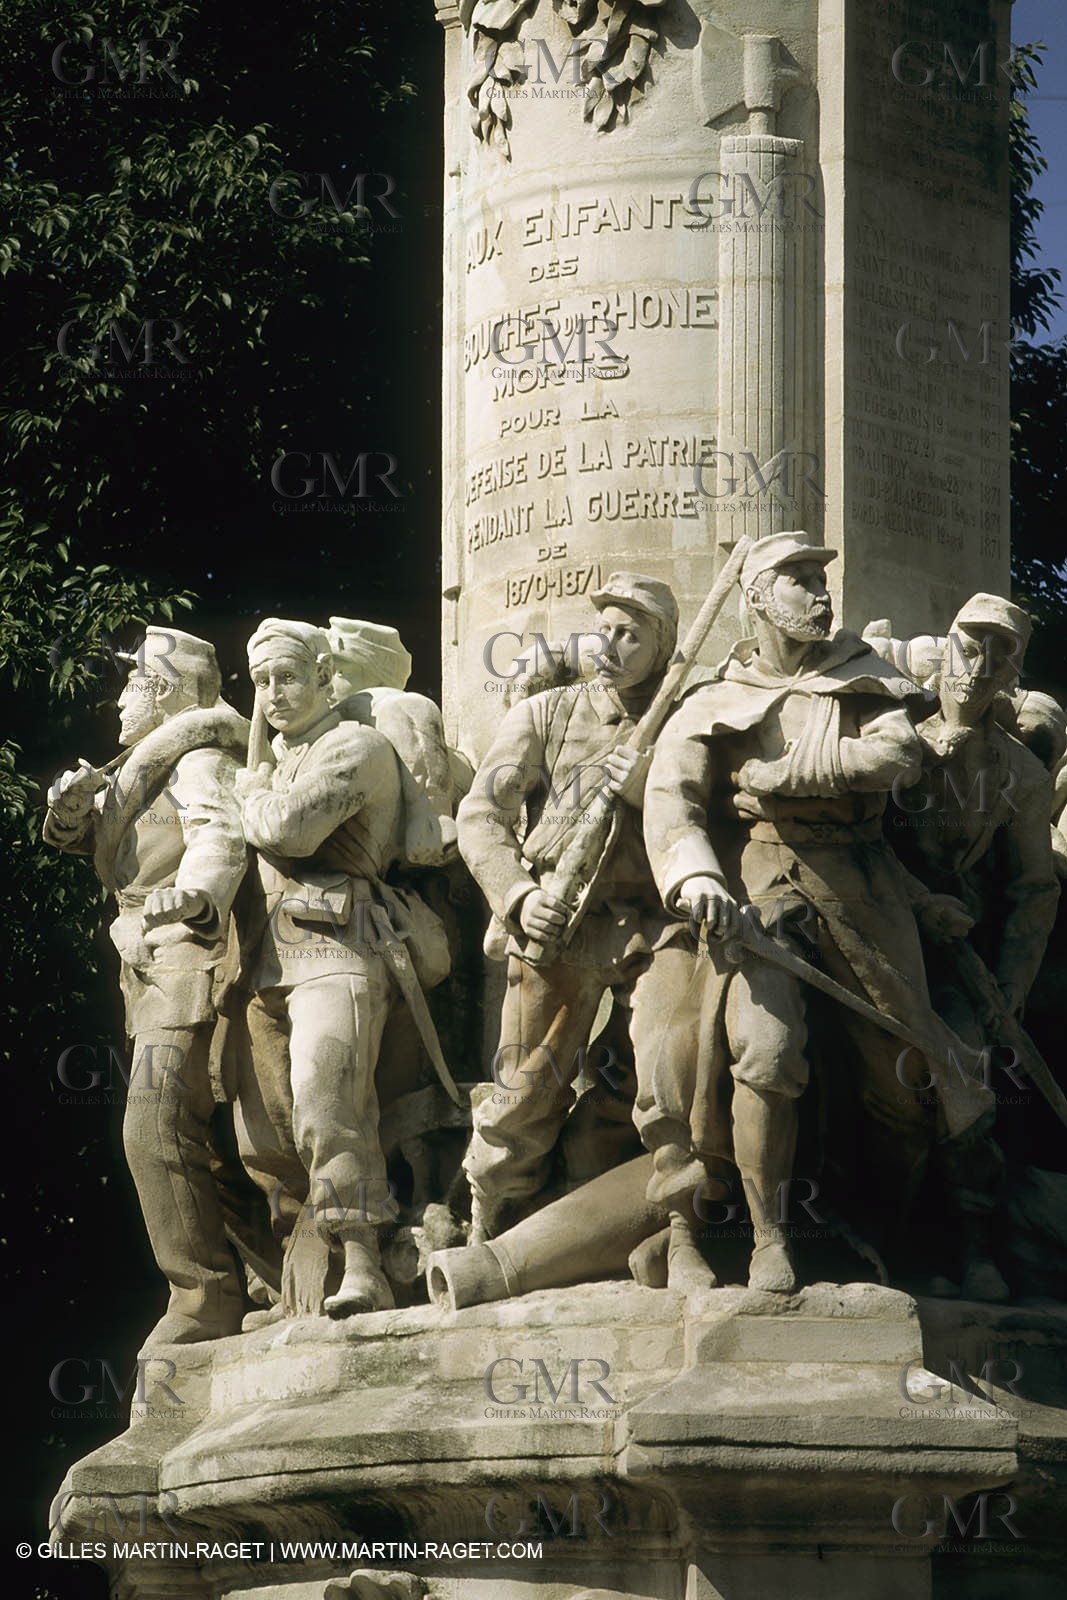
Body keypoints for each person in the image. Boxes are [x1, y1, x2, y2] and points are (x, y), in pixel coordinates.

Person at [638, 533, 996, 1294]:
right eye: (798, 579)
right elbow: (670, 799)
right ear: (758, 598)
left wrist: (779, 772)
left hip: (861, 884)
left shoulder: (864, 677)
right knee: (765, 1054)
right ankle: (770, 1237)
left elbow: (892, 758)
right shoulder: (712, 699)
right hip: (758, 884)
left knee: (904, 1084)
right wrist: (695, 873)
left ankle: (888, 1224)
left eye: (820, 578)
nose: (819, 592)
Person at [456, 574, 680, 1249]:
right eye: (604, 628)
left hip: (652, 925)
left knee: (654, 1075)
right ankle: (490, 1214)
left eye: (630, 633)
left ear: (662, 646)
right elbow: (480, 816)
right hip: (557, 921)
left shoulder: (683, 719)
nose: (609, 644)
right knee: (526, 1091)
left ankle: (597, 1214)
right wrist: (519, 897)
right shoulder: (545, 713)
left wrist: (648, 785)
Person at [236, 618, 449, 1317]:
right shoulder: (279, 758)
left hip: (340, 946)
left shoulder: (355, 746)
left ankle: (364, 1263)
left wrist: (249, 791)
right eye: (261, 681)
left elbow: (286, 830)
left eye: (287, 676)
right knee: (270, 1133)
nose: (272, 694)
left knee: (330, 1105)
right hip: (266, 959)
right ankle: (301, 1276)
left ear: (326, 677)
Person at [44, 627, 249, 1347]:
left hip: (188, 948)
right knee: (204, 1143)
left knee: (152, 1123)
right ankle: (246, 1280)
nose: (120, 700)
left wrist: (194, 894)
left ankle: (203, 1295)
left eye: (132, 686)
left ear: (163, 694)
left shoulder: (194, 762)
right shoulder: (138, 768)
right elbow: (93, 844)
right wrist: (71, 811)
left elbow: (219, 834)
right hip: (145, 960)